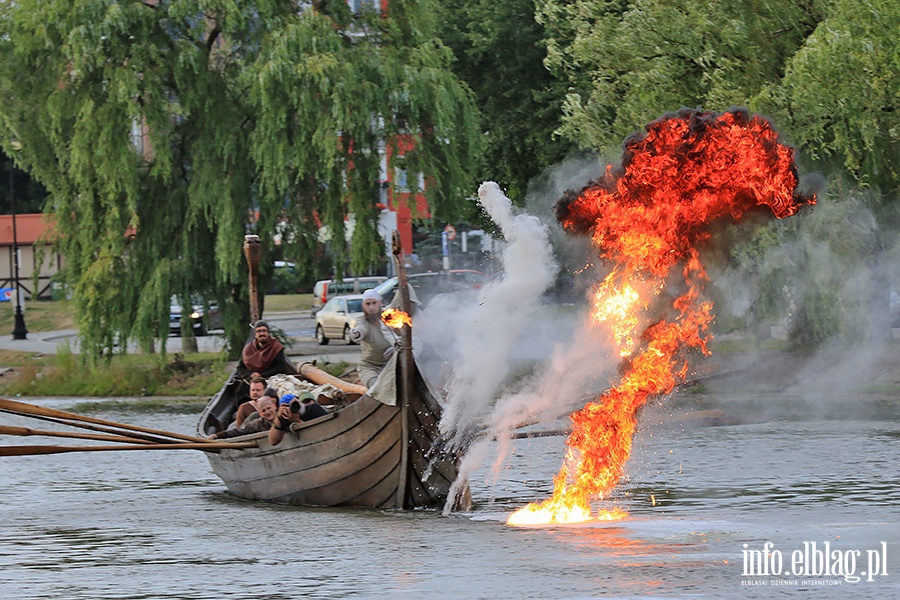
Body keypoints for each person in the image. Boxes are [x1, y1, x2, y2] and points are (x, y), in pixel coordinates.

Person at [349, 290, 395, 388]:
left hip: (392, 365)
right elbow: (360, 329)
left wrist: (396, 349)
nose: (371, 307)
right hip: (370, 367)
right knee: (377, 388)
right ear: (363, 306)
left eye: (374, 303)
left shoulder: (393, 318)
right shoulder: (363, 321)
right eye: (368, 304)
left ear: (380, 303)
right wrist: (355, 333)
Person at [210, 395, 278, 439]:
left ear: (274, 406)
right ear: (260, 413)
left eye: (269, 408)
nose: (267, 412)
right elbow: (238, 431)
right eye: (263, 411)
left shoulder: (285, 417)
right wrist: (217, 435)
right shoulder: (256, 424)